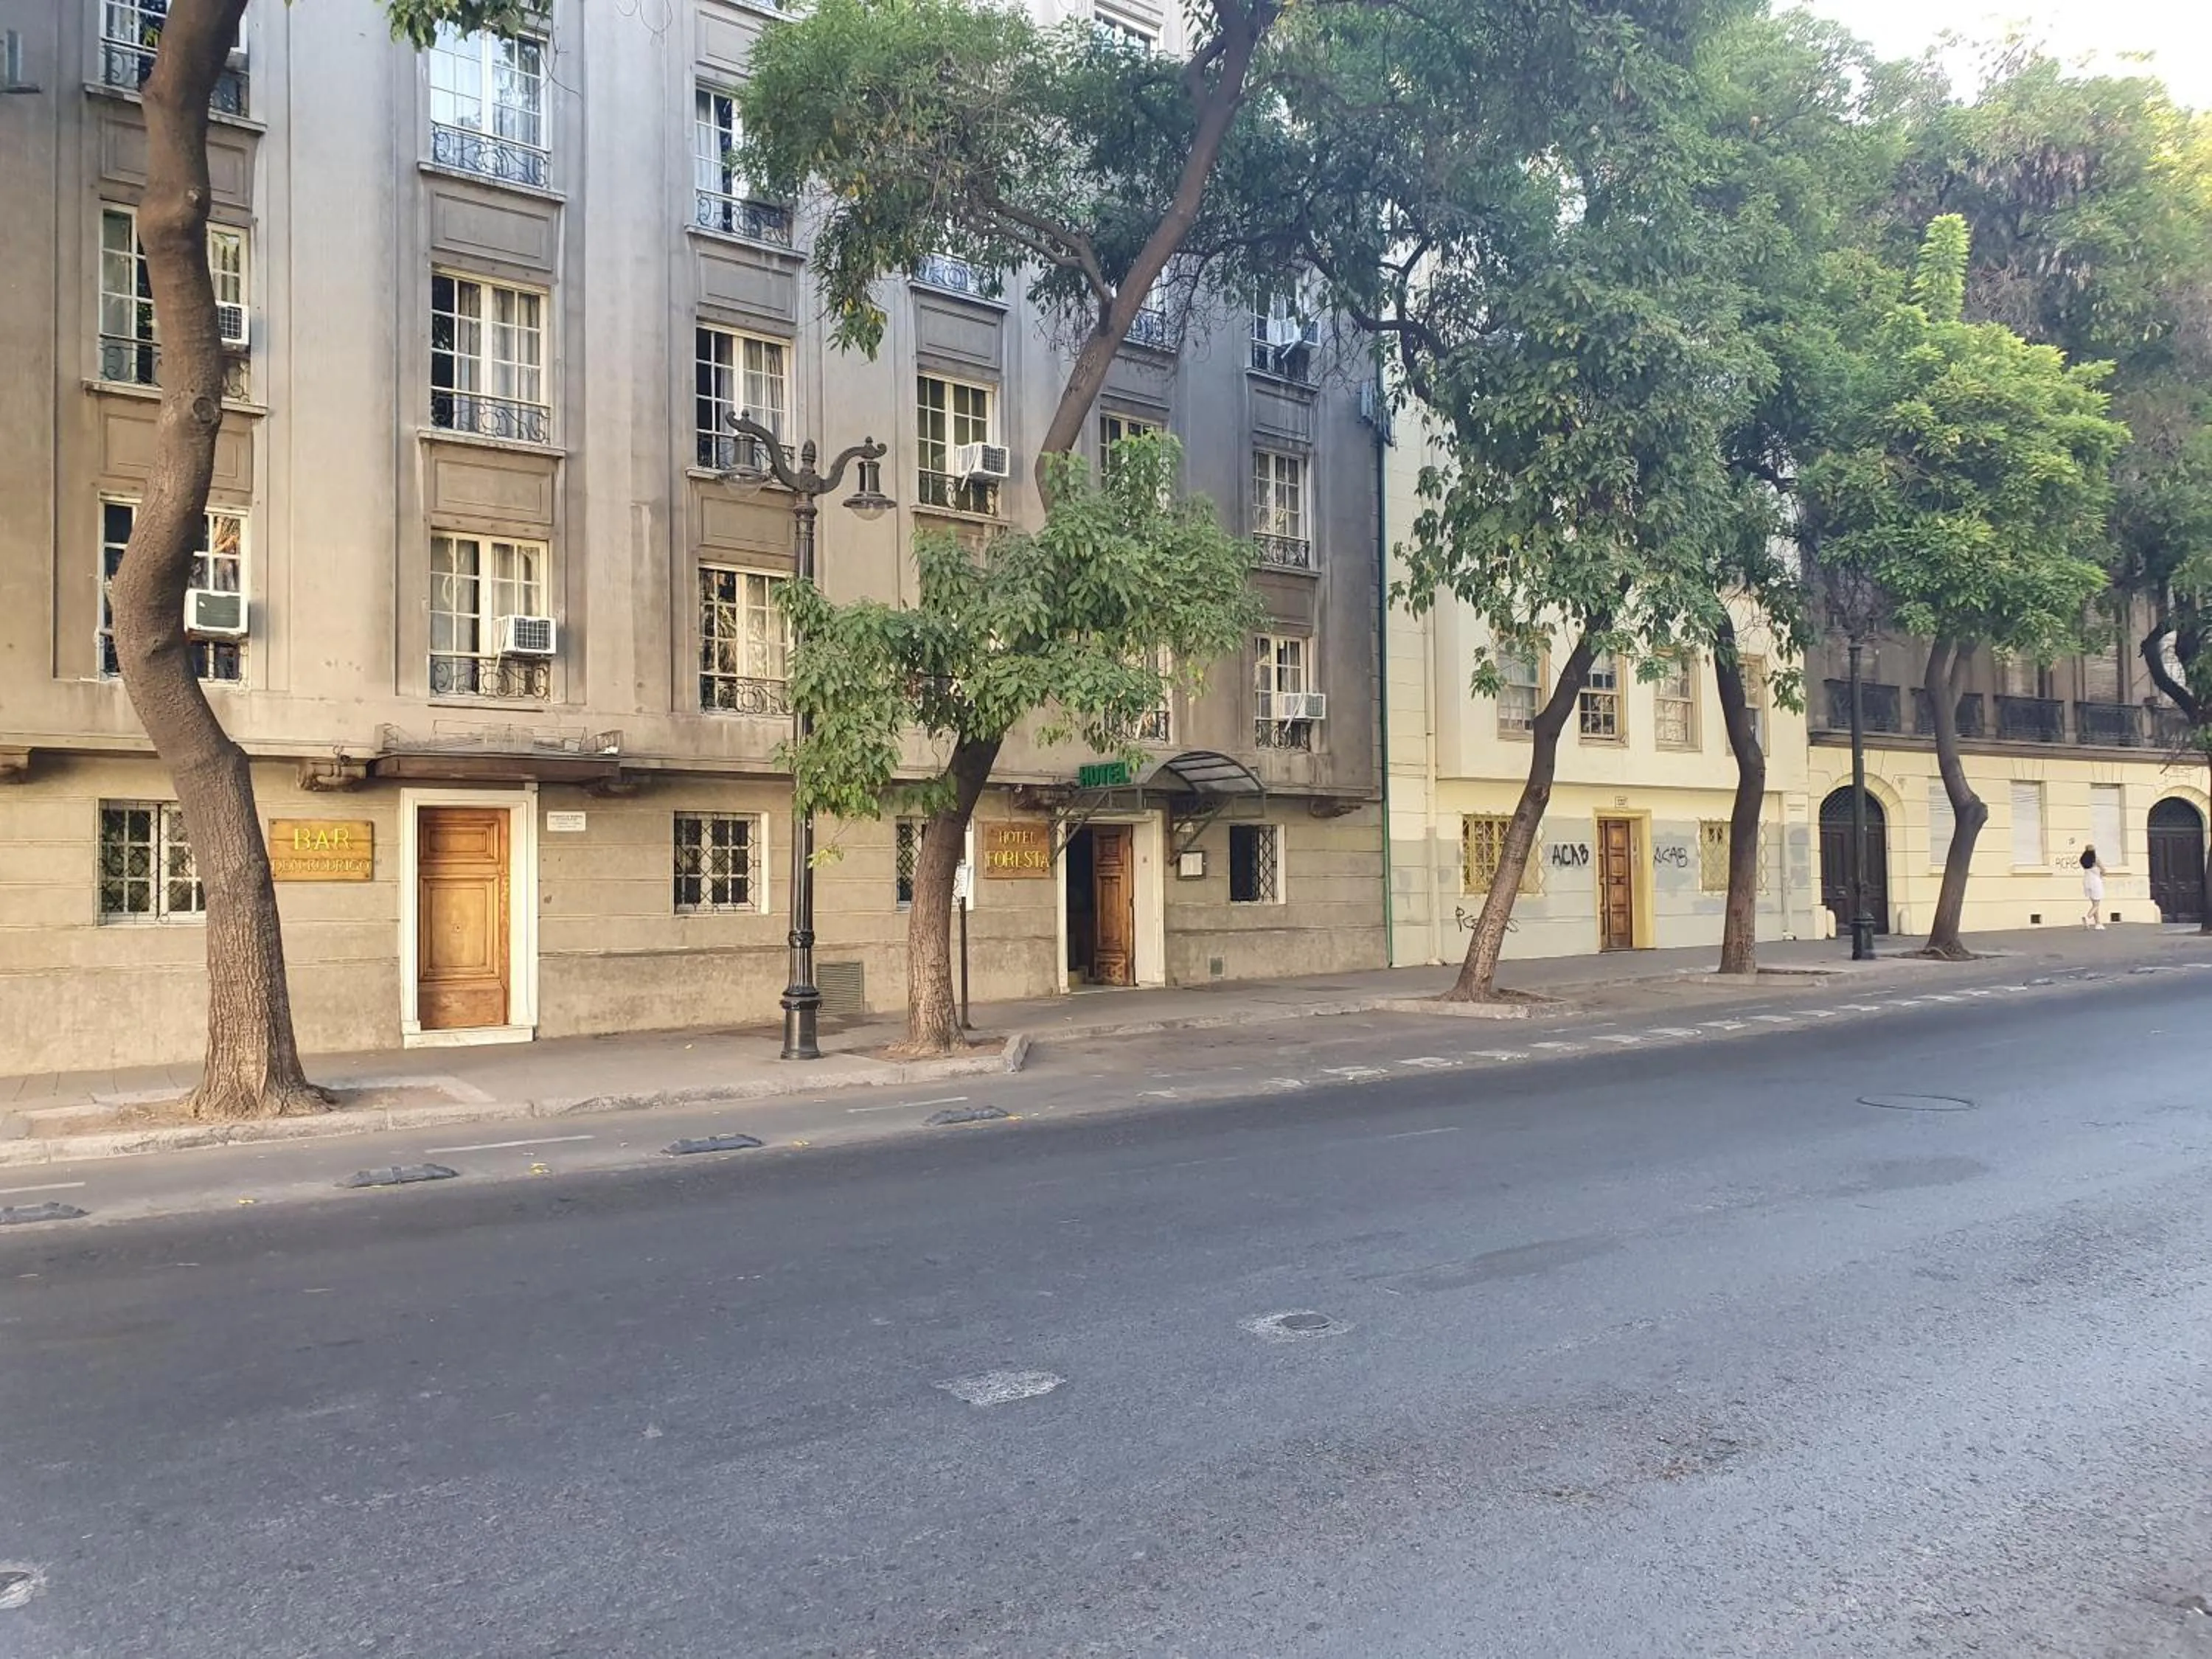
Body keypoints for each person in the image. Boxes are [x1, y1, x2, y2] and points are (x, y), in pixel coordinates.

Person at [2081, 845, 2106, 930]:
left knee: (2094, 903)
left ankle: (2098, 923)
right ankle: (2088, 917)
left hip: (2087, 881)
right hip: (2095, 882)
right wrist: (2101, 876)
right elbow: (2103, 870)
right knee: (2096, 904)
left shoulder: (2083, 860)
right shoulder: (2096, 859)